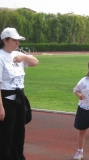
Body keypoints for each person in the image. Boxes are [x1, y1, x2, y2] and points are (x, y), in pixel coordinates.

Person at [0, 27, 39, 160]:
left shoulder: (18, 55)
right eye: (14, 40)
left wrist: (23, 56)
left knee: (19, 131)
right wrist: (1, 107)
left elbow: (35, 62)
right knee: (6, 132)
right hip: (6, 100)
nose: (17, 43)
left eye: (18, 40)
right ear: (5, 40)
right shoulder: (0, 57)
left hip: (19, 97)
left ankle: (18, 157)